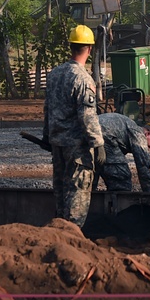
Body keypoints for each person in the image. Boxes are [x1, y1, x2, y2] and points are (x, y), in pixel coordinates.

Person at [43, 25, 105, 226]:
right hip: (76, 147)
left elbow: (48, 108)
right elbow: (87, 115)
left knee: (60, 191)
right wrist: (98, 143)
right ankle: (71, 236)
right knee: (77, 193)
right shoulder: (83, 79)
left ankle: (59, 232)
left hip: (57, 143)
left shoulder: (55, 74)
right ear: (89, 49)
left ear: (71, 47)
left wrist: (47, 136)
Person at [96, 113, 150, 192]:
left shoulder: (129, 125)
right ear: (148, 134)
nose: (149, 148)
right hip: (102, 136)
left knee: (89, 176)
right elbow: (143, 166)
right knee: (121, 180)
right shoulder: (139, 134)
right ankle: (119, 202)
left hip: (88, 132)